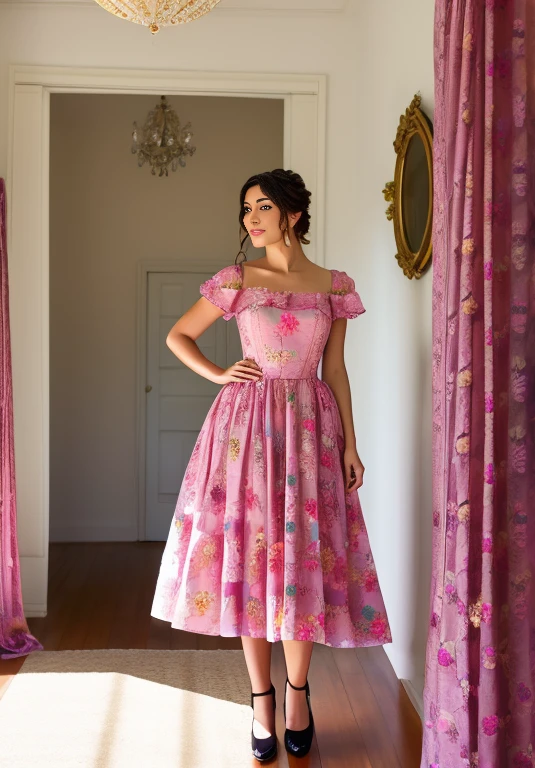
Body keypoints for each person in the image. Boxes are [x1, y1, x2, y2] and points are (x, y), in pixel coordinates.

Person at [151, 168, 392, 762]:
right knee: (252, 561)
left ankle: (298, 692)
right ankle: (260, 701)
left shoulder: (333, 284)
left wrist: (352, 444)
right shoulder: (237, 279)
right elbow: (179, 336)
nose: (250, 218)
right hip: (246, 432)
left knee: (302, 560)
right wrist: (219, 373)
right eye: (245, 209)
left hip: (311, 429)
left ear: (293, 214)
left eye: (262, 207)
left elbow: (334, 370)